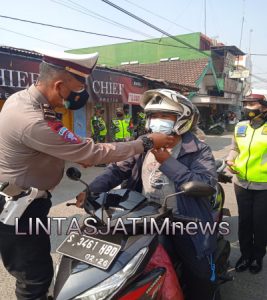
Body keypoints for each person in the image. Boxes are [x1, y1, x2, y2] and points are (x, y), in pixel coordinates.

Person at [0, 52, 174, 300]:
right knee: (33, 278)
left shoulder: (24, 101)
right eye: (75, 91)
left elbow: (72, 146)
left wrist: (81, 152)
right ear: (59, 85)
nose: (76, 99)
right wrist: (145, 142)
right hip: (18, 208)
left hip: (27, 202)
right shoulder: (33, 119)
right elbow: (91, 154)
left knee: (38, 267)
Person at [77, 89, 219, 300]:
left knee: (199, 274)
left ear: (182, 119)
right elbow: (118, 169)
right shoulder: (145, 143)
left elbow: (206, 183)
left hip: (186, 221)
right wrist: (91, 190)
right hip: (145, 217)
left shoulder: (198, 150)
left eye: (164, 116)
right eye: (152, 116)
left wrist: (166, 161)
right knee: (130, 268)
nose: (156, 121)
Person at [226, 92, 267, 274]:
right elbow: (235, 149)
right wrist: (230, 160)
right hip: (241, 182)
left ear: (264, 107)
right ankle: (245, 255)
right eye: (246, 104)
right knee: (244, 222)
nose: (248, 108)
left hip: (264, 184)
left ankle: (257, 257)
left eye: (253, 104)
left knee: (260, 224)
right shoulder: (240, 127)